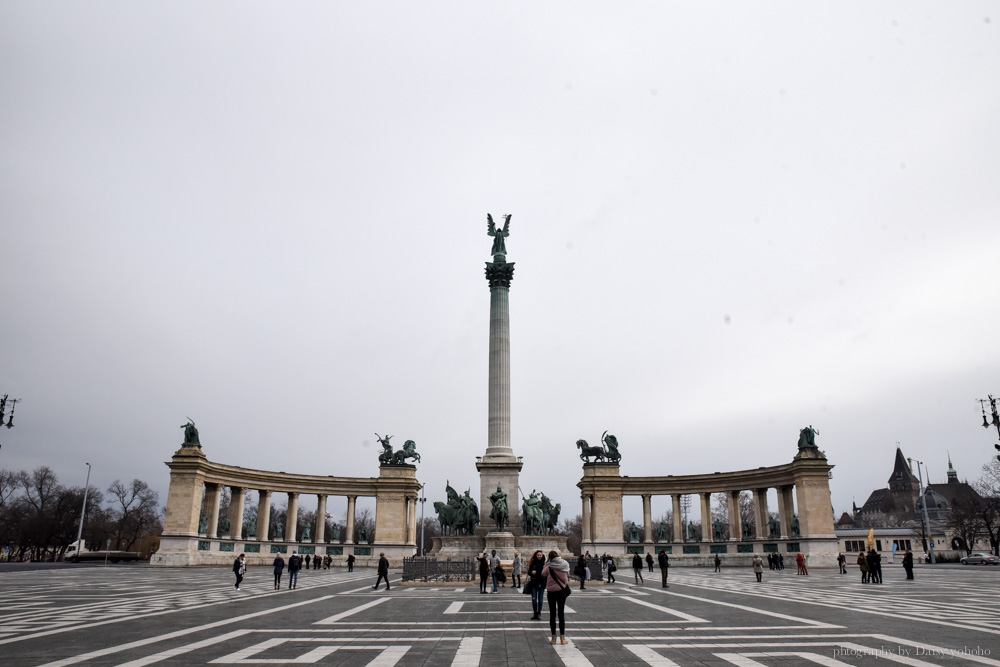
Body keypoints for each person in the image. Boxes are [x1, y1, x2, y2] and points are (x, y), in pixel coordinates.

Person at [541, 550, 571, 645]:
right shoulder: (565, 564)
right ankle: (562, 638)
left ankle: (553, 638)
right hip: (561, 590)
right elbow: (567, 575)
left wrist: (546, 564)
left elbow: (543, 574)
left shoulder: (549, 566)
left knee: (552, 614)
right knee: (561, 613)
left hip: (551, 591)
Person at [527, 550, 547, 619]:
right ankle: (535, 612)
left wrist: (537, 572)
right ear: (536, 555)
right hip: (534, 582)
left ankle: (539, 612)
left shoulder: (545, 564)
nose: (539, 556)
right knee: (534, 599)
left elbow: (545, 573)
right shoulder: (533, 563)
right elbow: (529, 572)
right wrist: (531, 572)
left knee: (540, 598)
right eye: (538, 555)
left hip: (542, 582)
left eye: (540, 555)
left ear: (542, 555)